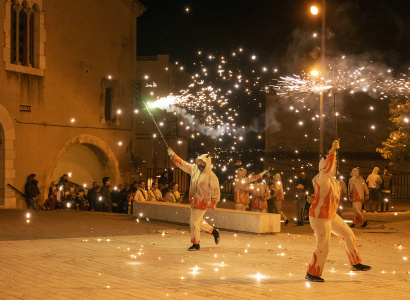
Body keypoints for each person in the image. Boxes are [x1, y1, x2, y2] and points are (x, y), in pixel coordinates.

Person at [306, 140, 371, 282]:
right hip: (319, 217)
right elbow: (327, 170)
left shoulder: (334, 181)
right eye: (332, 164)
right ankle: (312, 273)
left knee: (348, 234)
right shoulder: (320, 178)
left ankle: (355, 263)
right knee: (323, 245)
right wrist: (332, 151)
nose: (334, 166)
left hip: (331, 215)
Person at [168, 148, 220, 251]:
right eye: (199, 160)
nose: (200, 162)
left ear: (207, 163)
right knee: (198, 221)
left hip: (203, 202)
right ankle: (214, 232)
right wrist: (173, 156)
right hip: (194, 200)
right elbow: (183, 164)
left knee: (194, 222)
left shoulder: (211, 176)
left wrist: (213, 202)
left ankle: (196, 244)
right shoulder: (194, 168)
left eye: (202, 161)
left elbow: (216, 191)